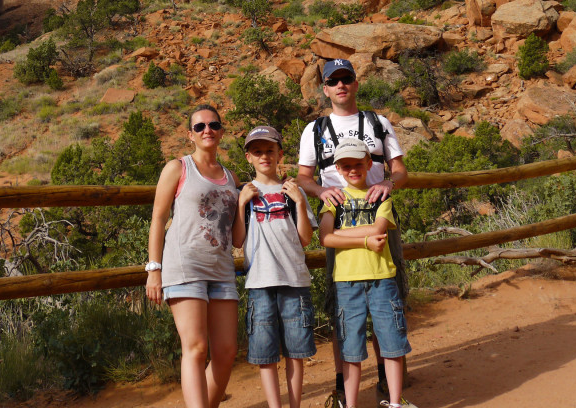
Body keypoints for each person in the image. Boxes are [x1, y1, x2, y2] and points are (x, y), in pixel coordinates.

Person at [296, 57, 409, 404]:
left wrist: (389, 183)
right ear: (325, 89)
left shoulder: (378, 123)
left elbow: (400, 170)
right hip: (339, 221)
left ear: (356, 84)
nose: (341, 85)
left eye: (346, 79)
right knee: (344, 305)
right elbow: (303, 177)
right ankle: (344, 387)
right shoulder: (314, 130)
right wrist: (320, 191)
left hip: (379, 217)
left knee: (388, 299)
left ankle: (389, 384)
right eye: (334, 81)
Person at [146, 104, 240, 408]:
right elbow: (158, 218)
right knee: (196, 348)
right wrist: (154, 269)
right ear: (190, 135)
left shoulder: (231, 177)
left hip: (222, 269)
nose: (207, 130)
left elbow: (236, 230)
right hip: (185, 266)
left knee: (226, 352)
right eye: (199, 126)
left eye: (213, 125)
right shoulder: (178, 168)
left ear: (221, 131)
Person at [318, 139, 415, 408]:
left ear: (368, 164)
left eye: (358, 164)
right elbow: (325, 237)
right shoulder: (334, 200)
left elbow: (378, 230)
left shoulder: (381, 196)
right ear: (338, 169)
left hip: (381, 277)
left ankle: (395, 402)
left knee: (391, 342)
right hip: (347, 281)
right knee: (350, 349)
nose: (353, 170)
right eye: (346, 165)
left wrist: (341, 234)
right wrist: (364, 241)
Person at [232, 125, 318, 408]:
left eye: (269, 150)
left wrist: (299, 202)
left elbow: (305, 238)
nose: (264, 156)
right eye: (257, 152)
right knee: (265, 354)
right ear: (248, 157)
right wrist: (241, 204)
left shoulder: (293, 191)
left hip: (294, 279)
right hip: (259, 281)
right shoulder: (244, 194)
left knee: (296, 351)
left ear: (280, 154)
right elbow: (237, 239)